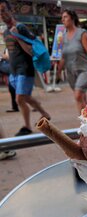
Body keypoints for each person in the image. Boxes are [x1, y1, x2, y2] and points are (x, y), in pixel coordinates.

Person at [0, 0, 51, 136]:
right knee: (26, 98)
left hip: (25, 69)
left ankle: (27, 127)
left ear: (11, 11)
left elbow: (31, 51)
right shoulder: (5, 32)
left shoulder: (21, 28)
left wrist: (18, 37)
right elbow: (12, 54)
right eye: (0, 12)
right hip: (14, 71)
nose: (2, 14)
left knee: (19, 99)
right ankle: (45, 113)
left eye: (4, 10)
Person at [57, 9, 87, 114]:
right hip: (70, 73)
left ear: (72, 18)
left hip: (84, 71)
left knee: (78, 95)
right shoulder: (63, 37)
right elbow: (63, 56)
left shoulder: (82, 34)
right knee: (82, 97)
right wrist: (58, 72)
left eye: (65, 17)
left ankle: (84, 124)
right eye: (62, 18)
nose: (62, 19)